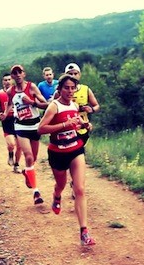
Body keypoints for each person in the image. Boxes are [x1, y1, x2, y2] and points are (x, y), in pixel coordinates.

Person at [38, 74, 96, 246]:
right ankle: (56, 195)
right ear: (60, 89)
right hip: (57, 152)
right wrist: (64, 125)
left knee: (80, 189)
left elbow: (76, 123)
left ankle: (84, 232)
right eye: (66, 88)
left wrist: (84, 125)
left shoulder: (75, 105)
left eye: (73, 88)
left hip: (76, 148)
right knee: (61, 185)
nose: (70, 91)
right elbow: (41, 129)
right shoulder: (53, 107)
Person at [3, 64, 49, 205]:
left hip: (35, 125)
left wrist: (31, 102)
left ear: (24, 74)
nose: (17, 75)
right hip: (20, 126)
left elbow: (46, 104)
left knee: (33, 159)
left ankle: (27, 172)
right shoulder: (10, 91)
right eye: (14, 73)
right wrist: (4, 114)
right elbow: (9, 104)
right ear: (12, 77)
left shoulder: (32, 87)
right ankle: (36, 192)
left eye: (19, 72)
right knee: (28, 156)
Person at [56, 63, 100, 199]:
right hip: (67, 131)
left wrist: (91, 109)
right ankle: (76, 185)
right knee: (73, 159)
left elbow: (96, 105)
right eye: (70, 74)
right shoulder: (62, 90)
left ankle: (75, 183)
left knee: (78, 159)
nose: (73, 76)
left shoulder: (86, 89)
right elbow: (53, 104)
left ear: (79, 75)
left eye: (75, 73)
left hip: (82, 130)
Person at [0, 73, 22, 173]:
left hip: (18, 119)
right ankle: (10, 154)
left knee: (20, 145)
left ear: (12, 80)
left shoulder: (17, 91)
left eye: (9, 79)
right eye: (5, 80)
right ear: (2, 82)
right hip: (7, 120)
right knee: (12, 144)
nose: (7, 82)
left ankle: (16, 165)